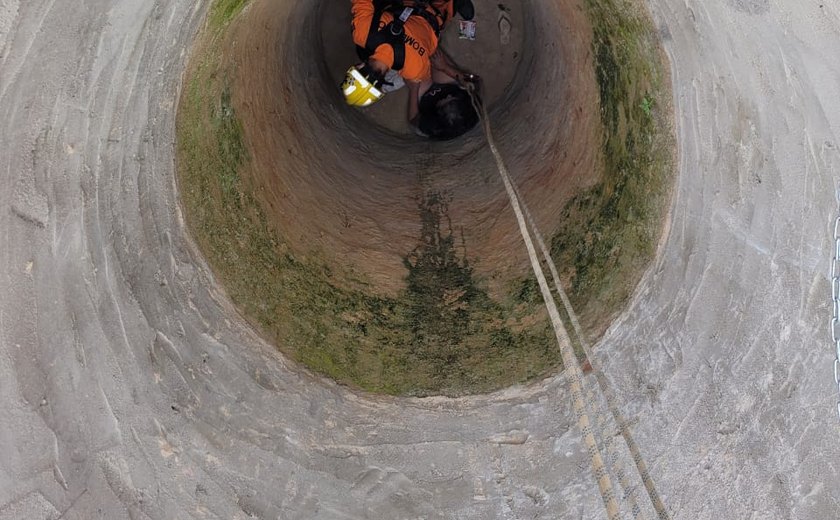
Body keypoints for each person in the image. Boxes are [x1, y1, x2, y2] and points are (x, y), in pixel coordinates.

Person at [342, 0, 475, 108]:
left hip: (433, 15)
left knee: (440, 14)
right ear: (358, 66)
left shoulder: (415, 70)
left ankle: (453, 4)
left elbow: (429, 59)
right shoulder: (362, 33)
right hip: (401, 3)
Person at [409, 48, 482, 140]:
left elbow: (413, 119)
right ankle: (427, 43)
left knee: (414, 74)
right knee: (435, 56)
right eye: (452, 98)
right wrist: (445, 67)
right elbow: (473, 82)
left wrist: (414, 89)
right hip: (448, 86)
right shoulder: (469, 107)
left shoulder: (432, 124)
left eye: (446, 101)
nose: (448, 96)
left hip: (426, 99)